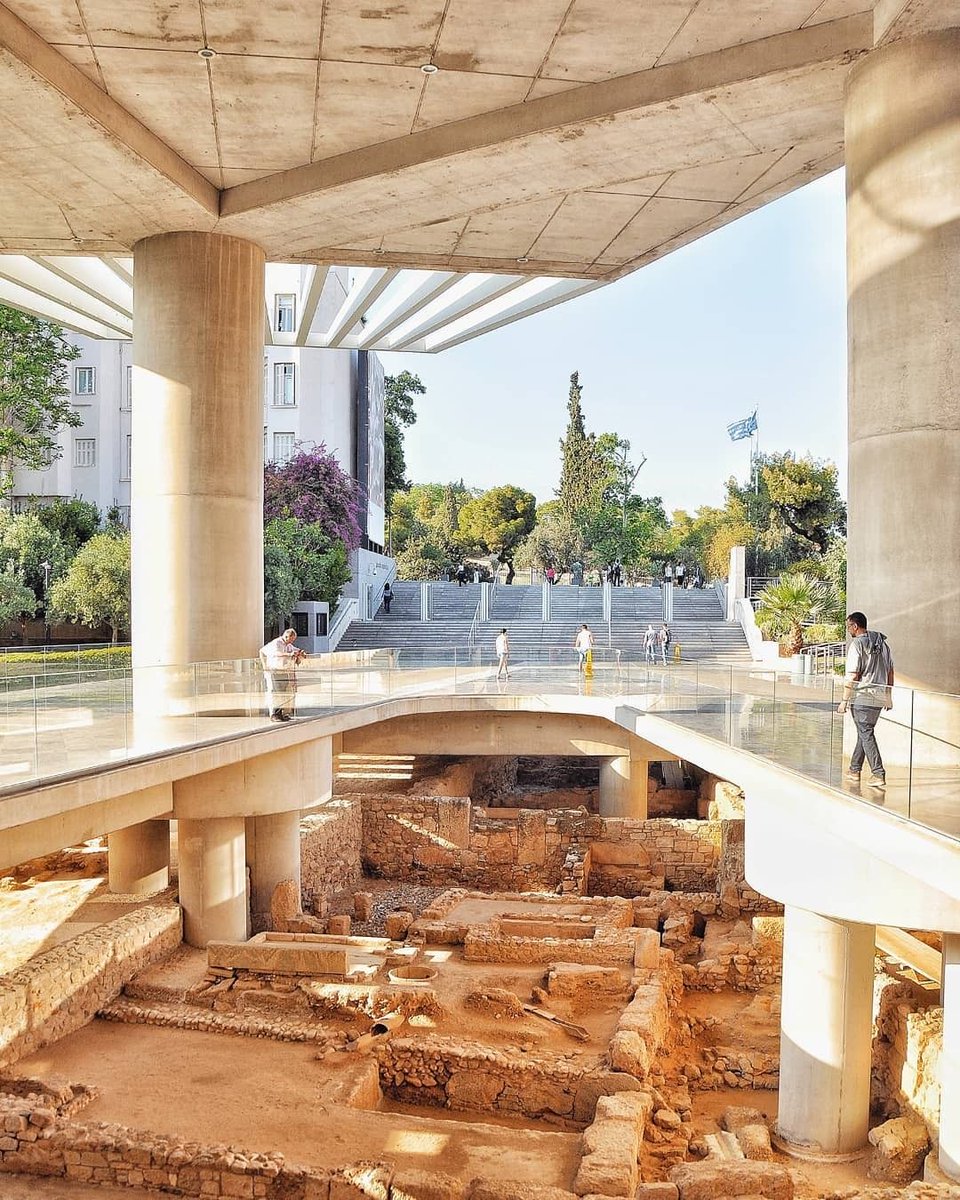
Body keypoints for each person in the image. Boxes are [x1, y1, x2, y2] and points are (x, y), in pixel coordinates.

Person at [837, 611, 895, 789]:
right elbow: (890, 671)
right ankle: (854, 770)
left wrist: (844, 700)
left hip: (862, 696)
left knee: (866, 734)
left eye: (848, 627)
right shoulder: (883, 645)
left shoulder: (857, 645)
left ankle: (878, 773)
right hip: (878, 696)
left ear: (855, 626)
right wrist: (888, 697)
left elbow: (853, 675)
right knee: (865, 733)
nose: (848, 630)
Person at [259, 628, 305, 722]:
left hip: (283, 670)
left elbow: (294, 649)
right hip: (274, 670)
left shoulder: (288, 645)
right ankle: (274, 714)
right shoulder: (276, 643)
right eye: (291, 639)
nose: (292, 642)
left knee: (283, 693)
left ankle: (281, 713)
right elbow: (275, 653)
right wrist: (265, 665)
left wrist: (301, 652)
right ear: (286, 636)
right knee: (276, 692)